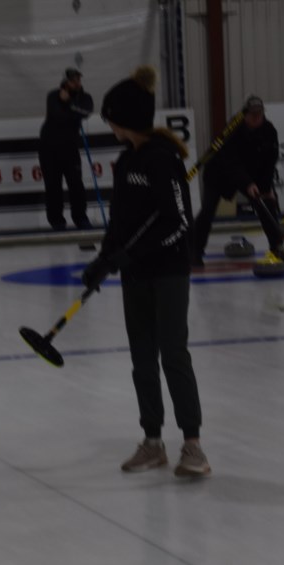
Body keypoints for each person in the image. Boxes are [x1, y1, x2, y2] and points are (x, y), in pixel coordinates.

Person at [81, 64, 211, 478]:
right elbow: (119, 223)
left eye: (111, 117)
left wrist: (130, 256)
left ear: (126, 118)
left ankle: (192, 447)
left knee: (173, 353)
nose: (109, 124)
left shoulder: (162, 159)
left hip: (168, 273)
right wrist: (104, 259)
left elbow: (177, 222)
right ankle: (152, 442)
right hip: (134, 275)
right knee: (141, 358)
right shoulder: (126, 161)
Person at [191, 95, 284, 266]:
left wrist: (266, 188)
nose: (256, 118)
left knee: (267, 205)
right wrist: (247, 184)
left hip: (250, 175)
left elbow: (270, 161)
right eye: (252, 115)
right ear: (245, 114)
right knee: (207, 211)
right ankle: (194, 251)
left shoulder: (269, 130)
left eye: (259, 114)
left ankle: (277, 246)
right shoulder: (232, 129)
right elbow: (231, 162)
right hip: (219, 174)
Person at [38, 67, 95, 231]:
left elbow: (86, 111)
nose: (76, 82)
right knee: (53, 186)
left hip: (70, 149)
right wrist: (73, 110)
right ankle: (57, 221)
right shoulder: (53, 95)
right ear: (65, 81)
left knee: (76, 185)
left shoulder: (85, 97)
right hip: (48, 149)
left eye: (78, 79)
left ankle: (80, 218)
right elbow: (58, 115)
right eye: (72, 80)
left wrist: (69, 103)